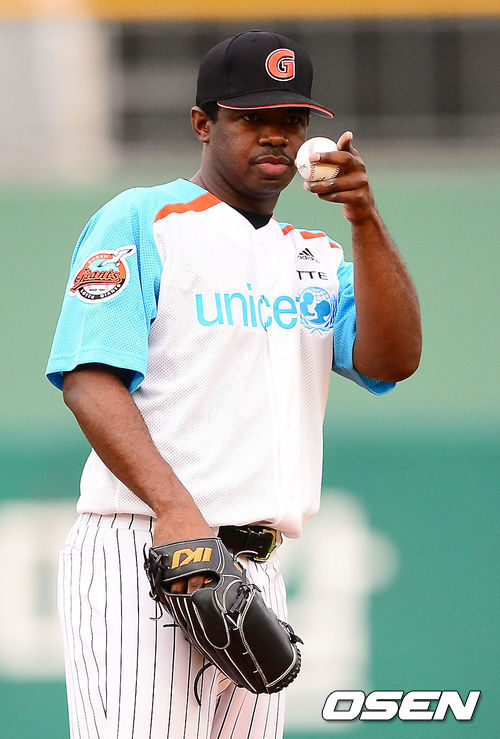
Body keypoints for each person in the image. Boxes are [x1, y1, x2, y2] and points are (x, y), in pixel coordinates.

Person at [46, 29, 421, 739]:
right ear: (202, 123)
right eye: (252, 118)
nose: (276, 136)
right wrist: (176, 510)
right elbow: (90, 380)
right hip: (146, 546)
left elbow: (392, 359)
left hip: (255, 568)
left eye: (291, 120)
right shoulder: (145, 219)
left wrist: (365, 219)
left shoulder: (315, 255)